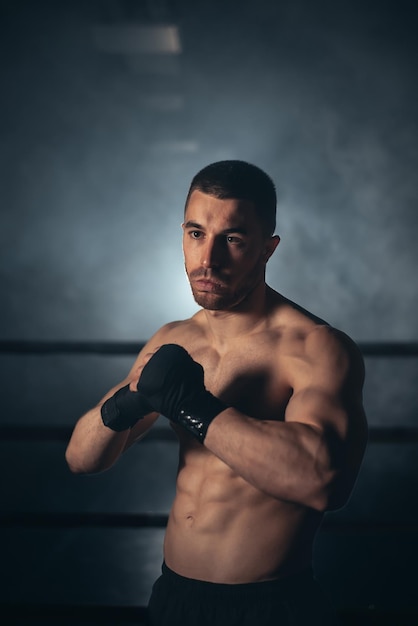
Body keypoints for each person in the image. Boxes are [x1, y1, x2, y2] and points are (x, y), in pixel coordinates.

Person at [65, 160, 368, 625]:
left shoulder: (315, 347)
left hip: (269, 606)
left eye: (232, 239)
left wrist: (191, 405)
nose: (207, 260)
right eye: (195, 234)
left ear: (268, 249)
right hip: (174, 596)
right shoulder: (174, 340)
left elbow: (324, 481)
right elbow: (82, 459)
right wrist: (127, 402)